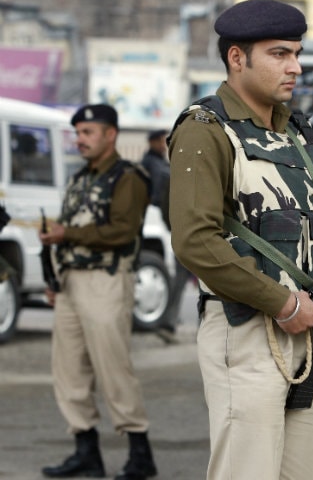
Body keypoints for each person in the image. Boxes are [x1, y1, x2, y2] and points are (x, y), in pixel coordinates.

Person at [167, 0, 313, 480]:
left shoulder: (297, 135)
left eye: (297, 54)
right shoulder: (205, 130)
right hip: (247, 333)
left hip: (310, 337)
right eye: (280, 54)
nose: (296, 67)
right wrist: (283, 303)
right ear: (237, 58)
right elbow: (196, 242)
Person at [39, 104, 157, 480]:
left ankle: (140, 454)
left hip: (106, 280)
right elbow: (68, 229)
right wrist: (54, 279)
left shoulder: (129, 177)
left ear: (111, 135)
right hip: (71, 282)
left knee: (112, 367)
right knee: (69, 369)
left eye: (88, 132)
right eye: (78, 133)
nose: (80, 140)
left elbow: (123, 231)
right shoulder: (79, 178)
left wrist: (65, 234)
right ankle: (85, 449)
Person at [141, 129, 191, 335]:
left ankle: (170, 320)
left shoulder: (169, 166)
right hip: (184, 232)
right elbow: (163, 203)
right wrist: (177, 228)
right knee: (181, 277)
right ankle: (169, 320)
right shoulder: (154, 165)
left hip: (193, 232)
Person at [140, 129, 169, 208]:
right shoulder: (150, 162)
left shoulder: (161, 161)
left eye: (164, 141)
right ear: (151, 142)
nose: (163, 145)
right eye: (160, 141)